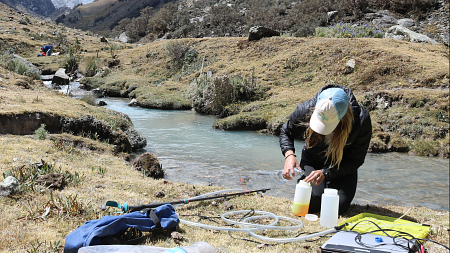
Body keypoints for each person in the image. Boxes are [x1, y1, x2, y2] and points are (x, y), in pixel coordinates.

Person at [279, 84, 372, 215]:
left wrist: (326, 173)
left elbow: (356, 160)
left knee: (337, 208)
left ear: (343, 118)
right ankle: (321, 190)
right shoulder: (307, 109)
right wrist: (289, 155)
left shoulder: (361, 120)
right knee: (310, 203)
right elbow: (286, 132)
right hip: (313, 161)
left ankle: (329, 186)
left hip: (341, 166)